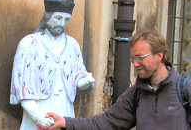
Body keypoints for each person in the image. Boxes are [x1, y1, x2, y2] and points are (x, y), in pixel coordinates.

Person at [37, 30, 191, 130]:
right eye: (133, 58)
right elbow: (104, 122)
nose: (135, 64)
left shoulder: (184, 90)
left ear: (159, 55)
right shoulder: (136, 94)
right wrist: (66, 122)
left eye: (140, 57)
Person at [10, 0, 94, 130]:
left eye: (66, 19)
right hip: (38, 112)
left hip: (65, 111)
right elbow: (23, 91)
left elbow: (78, 79)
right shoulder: (29, 44)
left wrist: (84, 83)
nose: (62, 23)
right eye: (58, 18)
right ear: (47, 17)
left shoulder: (72, 45)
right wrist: (38, 116)